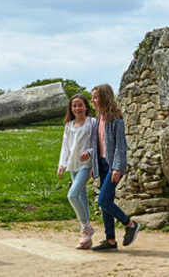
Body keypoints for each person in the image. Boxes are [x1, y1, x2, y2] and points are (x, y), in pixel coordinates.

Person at [89, 84, 140, 251]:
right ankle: (110, 240)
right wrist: (92, 165)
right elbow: (97, 146)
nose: (93, 101)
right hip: (102, 165)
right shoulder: (98, 120)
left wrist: (117, 168)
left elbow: (120, 146)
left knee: (103, 200)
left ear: (104, 97)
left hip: (113, 166)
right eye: (92, 98)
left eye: (95, 97)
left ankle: (130, 224)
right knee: (106, 203)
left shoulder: (116, 119)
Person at [57, 94, 97, 249]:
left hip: (86, 165)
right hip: (72, 165)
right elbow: (65, 147)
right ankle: (86, 238)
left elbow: (98, 143)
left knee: (72, 195)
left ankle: (86, 227)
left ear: (86, 107)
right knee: (82, 198)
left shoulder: (92, 123)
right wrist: (62, 164)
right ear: (71, 109)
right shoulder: (69, 125)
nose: (77, 108)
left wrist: (90, 152)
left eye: (80, 105)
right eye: (74, 106)